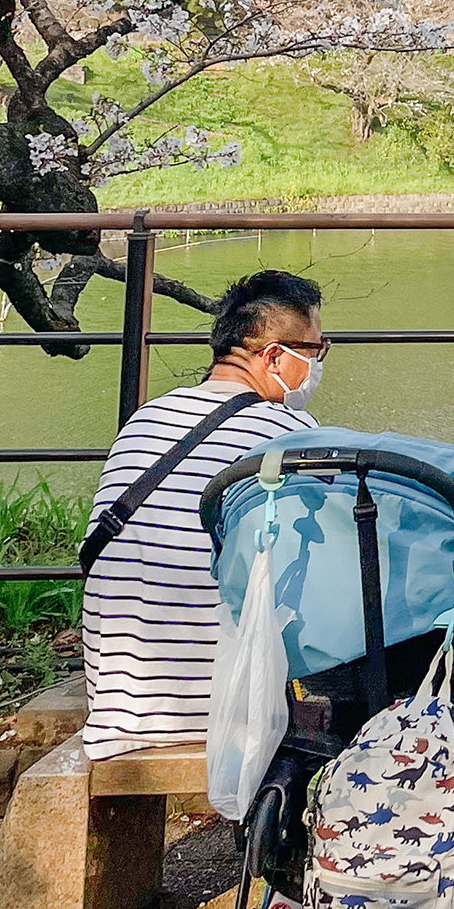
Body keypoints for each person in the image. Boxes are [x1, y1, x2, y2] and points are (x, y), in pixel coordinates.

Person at [80, 270, 325, 762]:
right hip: (222, 711)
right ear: (273, 356)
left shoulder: (146, 418)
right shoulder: (289, 432)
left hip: (119, 705)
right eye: (315, 352)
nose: (317, 367)